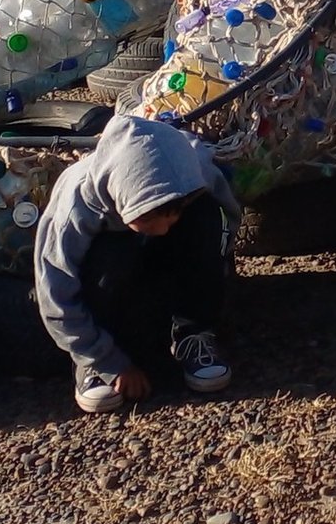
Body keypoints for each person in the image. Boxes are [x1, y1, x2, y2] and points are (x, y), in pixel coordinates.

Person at [34, 110, 244, 414]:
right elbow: (55, 295)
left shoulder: (193, 165)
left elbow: (228, 215)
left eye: (173, 215)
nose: (163, 229)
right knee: (111, 253)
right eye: (148, 218)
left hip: (157, 266)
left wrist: (215, 264)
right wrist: (107, 361)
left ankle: (193, 333)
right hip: (112, 273)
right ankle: (94, 360)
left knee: (205, 216)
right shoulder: (75, 204)